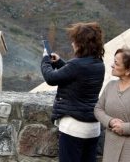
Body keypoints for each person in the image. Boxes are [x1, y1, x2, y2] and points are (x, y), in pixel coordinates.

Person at [41, 22, 106, 162]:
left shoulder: (76, 65)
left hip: (74, 128)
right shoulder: (99, 64)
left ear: (81, 44)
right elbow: (76, 75)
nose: (72, 44)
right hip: (93, 129)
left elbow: (51, 78)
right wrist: (59, 63)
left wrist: (45, 59)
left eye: (74, 41)